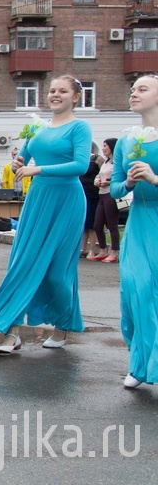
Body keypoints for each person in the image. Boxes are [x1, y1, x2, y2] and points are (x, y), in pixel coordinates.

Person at [0, 76, 92, 353]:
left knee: (58, 273)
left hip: (67, 201)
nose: (55, 95)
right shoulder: (39, 127)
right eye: (52, 90)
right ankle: (11, 333)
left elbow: (81, 165)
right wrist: (18, 161)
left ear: (75, 97)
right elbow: (22, 157)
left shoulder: (79, 126)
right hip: (38, 200)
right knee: (22, 265)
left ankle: (62, 326)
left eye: (62, 91)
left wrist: (38, 169)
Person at [111, 74, 158, 388]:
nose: (134, 93)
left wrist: (154, 179)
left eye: (142, 89)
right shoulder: (126, 140)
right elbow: (115, 189)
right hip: (139, 222)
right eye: (132, 89)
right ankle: (140, 363)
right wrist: (128, 183)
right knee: (135, 290)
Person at [91, 138, 120, 263]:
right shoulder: (106, 162)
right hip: (101, 194)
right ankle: (103, 250)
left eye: (105, 146)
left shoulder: (117, 162)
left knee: (111, 224)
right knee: (97, 224)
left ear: (112, 147)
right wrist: (97, 181)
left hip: (111, 194)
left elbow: (119, 177)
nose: (102, 148)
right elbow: (99, 174)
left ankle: (114, 252)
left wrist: (107, 182)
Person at [79, 150, 103, 258]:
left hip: (93, 194)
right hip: (82, 194)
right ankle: (83, 248)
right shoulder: (80, 159)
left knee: (92, 223)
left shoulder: (97, 159)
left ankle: (92, 249)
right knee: (84, 223)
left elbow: (103, 173)